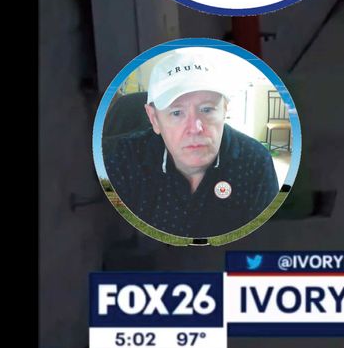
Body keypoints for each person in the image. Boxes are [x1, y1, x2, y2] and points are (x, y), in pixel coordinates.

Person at [102, 49, 280, 239]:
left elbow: (267, 240)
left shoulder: (256, 163)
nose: (195, 128)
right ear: (154, 119)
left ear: (224, 109)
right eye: (177, 113)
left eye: (207, 109)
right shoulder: (117, 160)